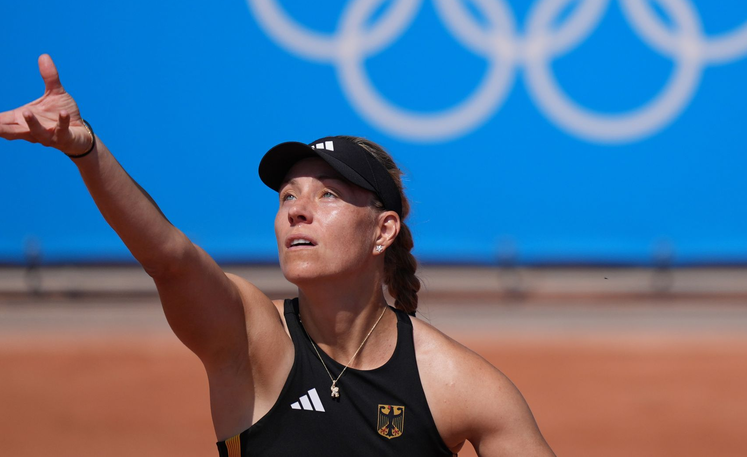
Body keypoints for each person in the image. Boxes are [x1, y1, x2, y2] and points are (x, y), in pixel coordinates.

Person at [0, 54, 556, 456]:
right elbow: (170, 259)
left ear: (383, 230)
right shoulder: (248, 337)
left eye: (328, 195)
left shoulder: (458, 384)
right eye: (288, 195)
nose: (297, 210)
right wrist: (86, 150)